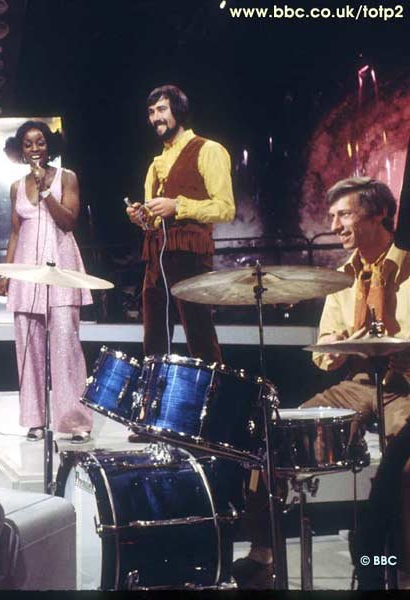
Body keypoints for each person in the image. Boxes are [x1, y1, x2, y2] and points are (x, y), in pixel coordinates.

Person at [233, 177, 410, 589]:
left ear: (380, 214)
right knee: (271, 436)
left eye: (344, 214)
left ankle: (400, 568)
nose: (334, 225)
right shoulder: (341, 278)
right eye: (332, 216)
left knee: (405, 469)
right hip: (358, 382)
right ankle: (262, 552)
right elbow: (325, 356)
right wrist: (337, 347)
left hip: (405, 385)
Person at [0, 121, 93, 444]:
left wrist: (45, 190)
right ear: (21, 150)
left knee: (66, 348)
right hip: (27, 273)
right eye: (28, 144)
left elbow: (69, 221)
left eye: (40, 142)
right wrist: (7, 272)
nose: (35, 149)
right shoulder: (16, 187)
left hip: (61, 267)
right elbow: (15, 232)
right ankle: (35, 420)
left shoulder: (67, 178)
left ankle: (75, 421)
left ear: (49, 146)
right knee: (29, 349)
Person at [125, 85, 235, 363]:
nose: (155, 118)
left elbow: (225, 208)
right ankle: (156, 389)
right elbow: (153, 220)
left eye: (161, 109)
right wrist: (141, 217)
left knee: (200, 336)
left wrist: (178, 206)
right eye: (151, 112)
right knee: (154, 341)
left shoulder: (208, 150)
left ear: (179, 110)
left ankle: (212, 389)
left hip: (190, 255)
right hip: (155, 259)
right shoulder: (155, 165)